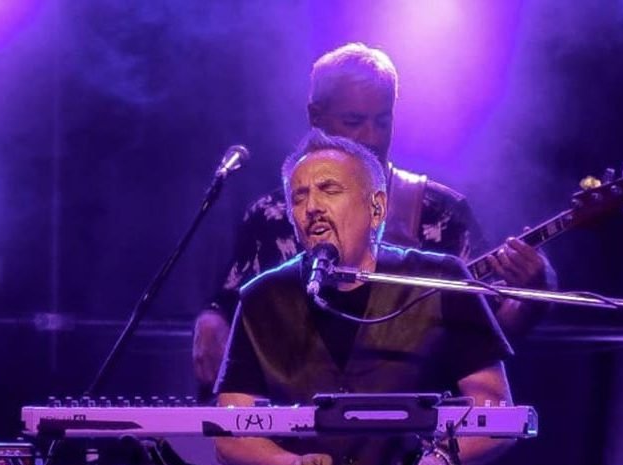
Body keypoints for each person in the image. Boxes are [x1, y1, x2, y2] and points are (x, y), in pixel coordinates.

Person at [213, 128, 515, 465]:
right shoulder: (262, 296)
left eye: (329, 189)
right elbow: (231, 433)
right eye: (299, 196)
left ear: (376, 208)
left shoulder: (440, 279)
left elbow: (494, 410)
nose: (312, 207)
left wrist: (440, 459)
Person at [193, 42, 555, 393]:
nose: (371, 137)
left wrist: (535, 292)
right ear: (316, 117)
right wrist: (212, 318)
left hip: (415, 416)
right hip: (295, 412)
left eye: (382, 122)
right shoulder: (270, 215)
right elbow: (231, 304)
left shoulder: (441, 211)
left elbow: (488, 337)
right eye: (354, 121)